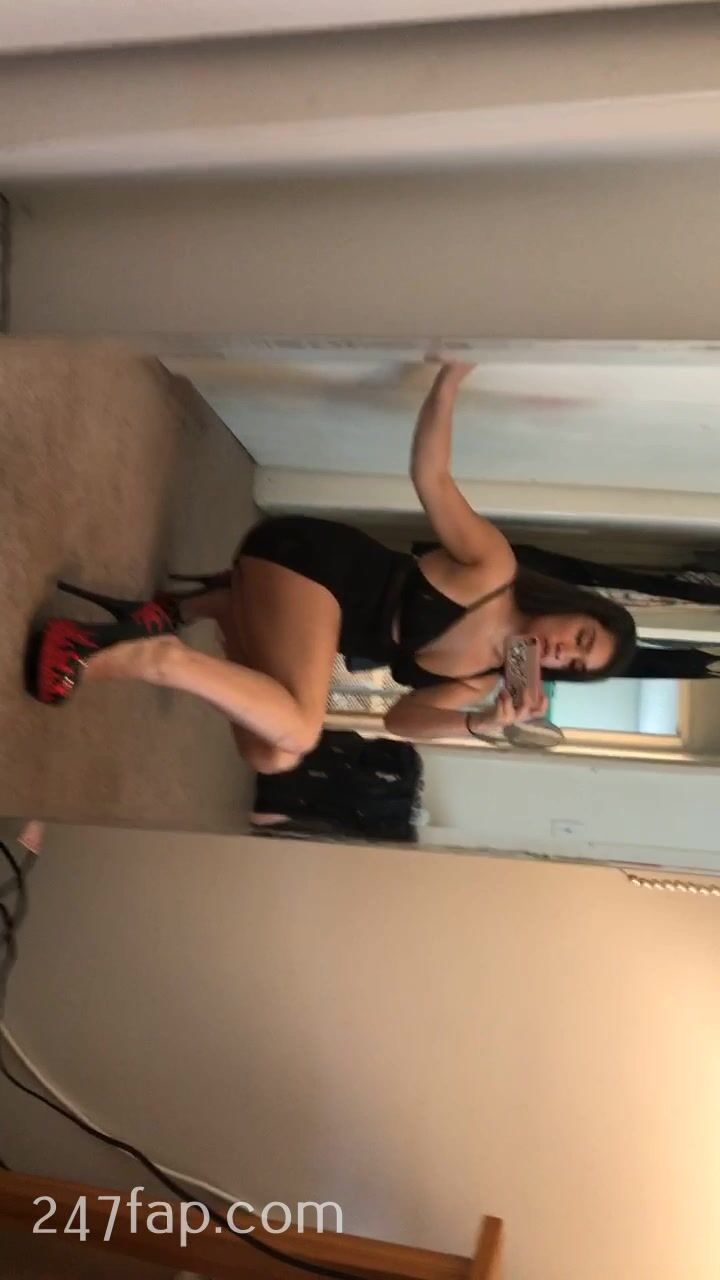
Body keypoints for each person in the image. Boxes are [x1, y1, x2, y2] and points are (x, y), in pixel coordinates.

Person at [25, 362, 636, 773]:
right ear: (574, 607)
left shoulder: (479, 681)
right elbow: (431, 477)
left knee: (273, 755)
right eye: (581, 638)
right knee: (301, 729)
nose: (564, 653)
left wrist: (479, 724)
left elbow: (400, 719)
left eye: (575, 666)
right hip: (311, 561)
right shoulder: (493, 571)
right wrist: (450, 379)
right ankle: (151, 657)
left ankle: (221, 610)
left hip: (304, 614)